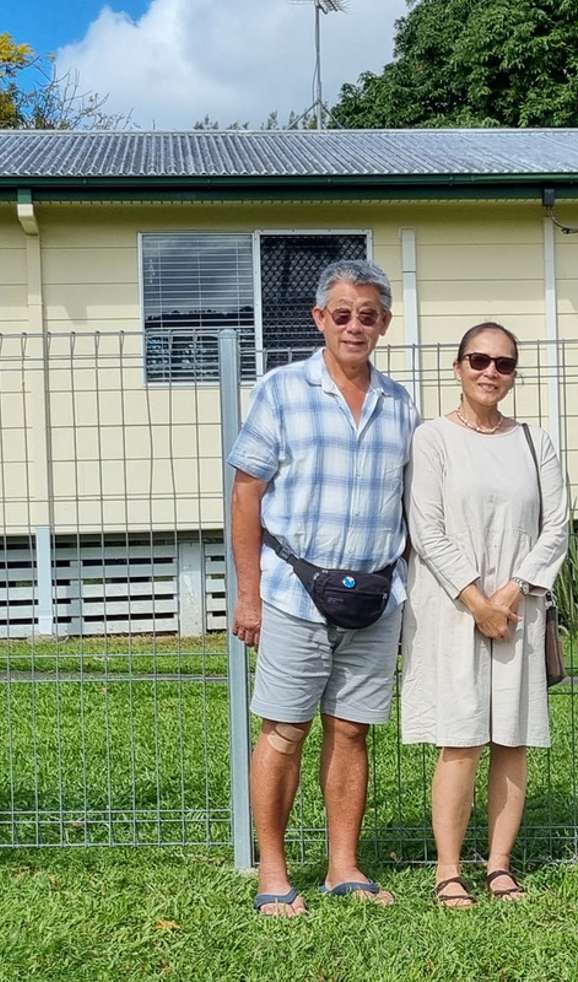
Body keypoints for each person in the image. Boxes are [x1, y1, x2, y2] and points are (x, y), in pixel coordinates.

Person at [227, 259, 418, 917]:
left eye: (368, 315)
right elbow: (246, 494)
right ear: (319, 319)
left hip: (374, 597)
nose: (354, 326)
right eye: (342, 314)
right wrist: (248, 594)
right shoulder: (282, 390)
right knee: (284, 732)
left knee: (351, 732)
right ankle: (274, 874)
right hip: (291, 592)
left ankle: (344, 867)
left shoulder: (401, 404)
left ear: (384, 324)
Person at [400, 321, 570, 909]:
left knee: (511, 737)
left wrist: (511, 593)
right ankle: (449, 871)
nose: (490, 372)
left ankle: (499, 865)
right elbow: (427, 528)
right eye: (478, 360)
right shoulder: (432, 439)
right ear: (457, 366)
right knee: (461, 739)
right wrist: (475, 600)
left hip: (517, 610)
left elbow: (556, 527)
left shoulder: (534, 441)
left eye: (503, 363)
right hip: (452, 611)